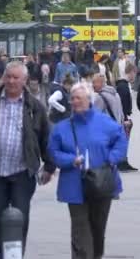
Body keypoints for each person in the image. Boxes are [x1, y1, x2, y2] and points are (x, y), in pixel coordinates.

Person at [0, 61, 55, 259]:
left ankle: (12, 255)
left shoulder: (35, 107)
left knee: (19, 218)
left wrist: (49, 166)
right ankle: (5, 248)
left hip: (22, 173)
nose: (11, 81)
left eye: (16, 77)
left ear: (24, 80)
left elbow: (45, 138)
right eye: (8, 76)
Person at [48, 82, 128, 259]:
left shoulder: (105, 122)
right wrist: (71, 160)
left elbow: (121, 139)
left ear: (89, 100)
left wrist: (112, 158)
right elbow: (53, 152)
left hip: (102, 183)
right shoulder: (62, 128)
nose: (75, 102)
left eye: (79, 98)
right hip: (74, 186)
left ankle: (96, 255)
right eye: (73, 98)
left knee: (98, 229)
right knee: (80, 231)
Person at [115, 62, 138, 171]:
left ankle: (124, 160)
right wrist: (124, 118)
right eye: (135, 73)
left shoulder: (123, 85)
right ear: (131, 72)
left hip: (124, 116)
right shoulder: (123, 86)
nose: (135, 76)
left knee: (124, 139)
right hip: (123, 118)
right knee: (124, 140)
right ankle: (122, 161)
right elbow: (122, 104)